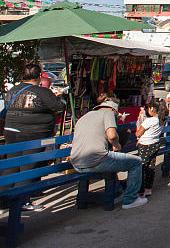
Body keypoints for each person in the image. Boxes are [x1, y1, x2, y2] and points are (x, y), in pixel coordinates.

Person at [2, 62, 67, 211]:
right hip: (32, 134)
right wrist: (59, 97)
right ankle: (20, 201)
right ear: (39, 76)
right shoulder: (41, 91)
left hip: (11, 131)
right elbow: (59, 106)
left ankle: (4, 200)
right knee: (28, 167)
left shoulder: (12, 91)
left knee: (11, 166)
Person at [70, 94, 148, 210]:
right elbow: (112, 135)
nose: (116, 117)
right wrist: (117, 145)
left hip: (76, 163)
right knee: (136, 162)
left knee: (114, 160)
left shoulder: (85, 116)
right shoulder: (108, 113)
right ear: (113, 109)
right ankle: (130, 199)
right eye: (116, 114)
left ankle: (117, 192)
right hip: (95, 161)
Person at [135, 98, 168, 198]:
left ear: (152, 109)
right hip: (155, 144)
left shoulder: (149, 121)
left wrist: (140, 123)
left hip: (145, 145)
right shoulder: (162, 120)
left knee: (142, 167)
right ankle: (148, 188)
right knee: (151, 167)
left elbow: (138, 133)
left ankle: (140, 191)